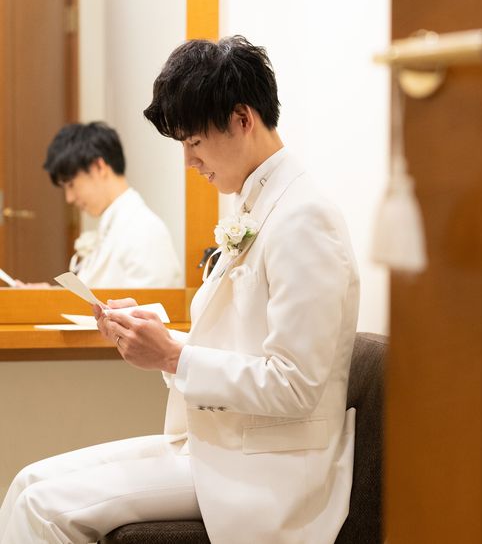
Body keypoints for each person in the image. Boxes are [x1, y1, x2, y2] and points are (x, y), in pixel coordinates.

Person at [0, 36, 360, 544]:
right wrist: (160, 337)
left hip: (271, 467)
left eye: (193, 143)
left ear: (242, 119)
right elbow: (244, 348)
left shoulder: (304, 217)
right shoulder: (260, 205)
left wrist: (173, 356)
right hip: (226, 444)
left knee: (41, 506)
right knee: (27, 482)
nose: (189, 162)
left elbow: (296, 386)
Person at [41, 121, 182, 288]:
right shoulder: (113, 226)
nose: (69, 198)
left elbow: (154, 299)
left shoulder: (144, 230)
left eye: (71, 184)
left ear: (99, 167)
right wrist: (48, 293)